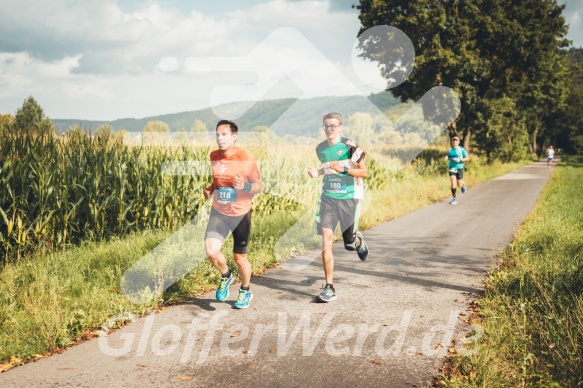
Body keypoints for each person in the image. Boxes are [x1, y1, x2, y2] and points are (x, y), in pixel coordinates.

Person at [307, 112, 369, 302]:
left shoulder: (350, 146)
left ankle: (357, 240)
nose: (329, 129)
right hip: (328, 199)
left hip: (350, 198)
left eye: (333, 126)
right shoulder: (320, 149)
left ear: (340, 127)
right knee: (326, 240)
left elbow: (364, 172)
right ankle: (329, 287)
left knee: (349, 244)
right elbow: (328, 167)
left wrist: (344, 169)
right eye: (326, 126)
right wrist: (317, 172)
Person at [203, 120, 262, 309]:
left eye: (224, 134)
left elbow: (259, 186)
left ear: (234, 137)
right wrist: (211, 188)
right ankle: (226, 275)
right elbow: (218, 180)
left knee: (240, 258)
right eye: (217, 134)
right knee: (211, 251)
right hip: (219, 211)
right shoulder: (214, 156)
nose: (220, 138)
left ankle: (245, 291)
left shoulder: (245, 158)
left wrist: (244, 186)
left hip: (240, 213)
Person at [444, 136, 469, 205]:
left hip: (459, 168)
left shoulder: (461, 149)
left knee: (459, 184)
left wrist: (460, 159)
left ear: (458, 142)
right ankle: (454, 199)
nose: (454, 141)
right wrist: (446, 157)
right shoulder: (450, 150)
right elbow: (448, 156)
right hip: (452, 168)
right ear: (452, 142)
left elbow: (467, 158)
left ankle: (463, 184)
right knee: (453, 182)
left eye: (456, 140)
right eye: (453, 140)